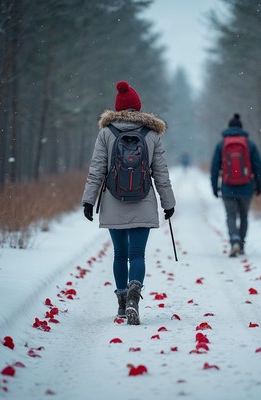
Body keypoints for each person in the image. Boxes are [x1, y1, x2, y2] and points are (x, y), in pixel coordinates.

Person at [82, 81, 176, 325]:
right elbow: (161, 173)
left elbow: (97, 170)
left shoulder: (106, 133)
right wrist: (168, 203)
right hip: (143, 199)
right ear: (138, 107)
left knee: (119, 254)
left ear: (117, 108)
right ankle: (135, 294)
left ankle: (122, 303)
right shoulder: (152, 135)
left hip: (114, 199)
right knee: (137, 254)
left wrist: (88, 200)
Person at [211, 113, 261, 257]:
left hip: (228, 187)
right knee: (244, 216)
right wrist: (259, 185)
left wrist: (215, 187)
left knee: (231, 216)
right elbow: (258, 166)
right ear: (241, 128)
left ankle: (234, 240)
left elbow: (215, 168)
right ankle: (241, 244)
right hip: (246, 186)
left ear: (228, 128)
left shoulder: (221, 145)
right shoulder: (249, 144)